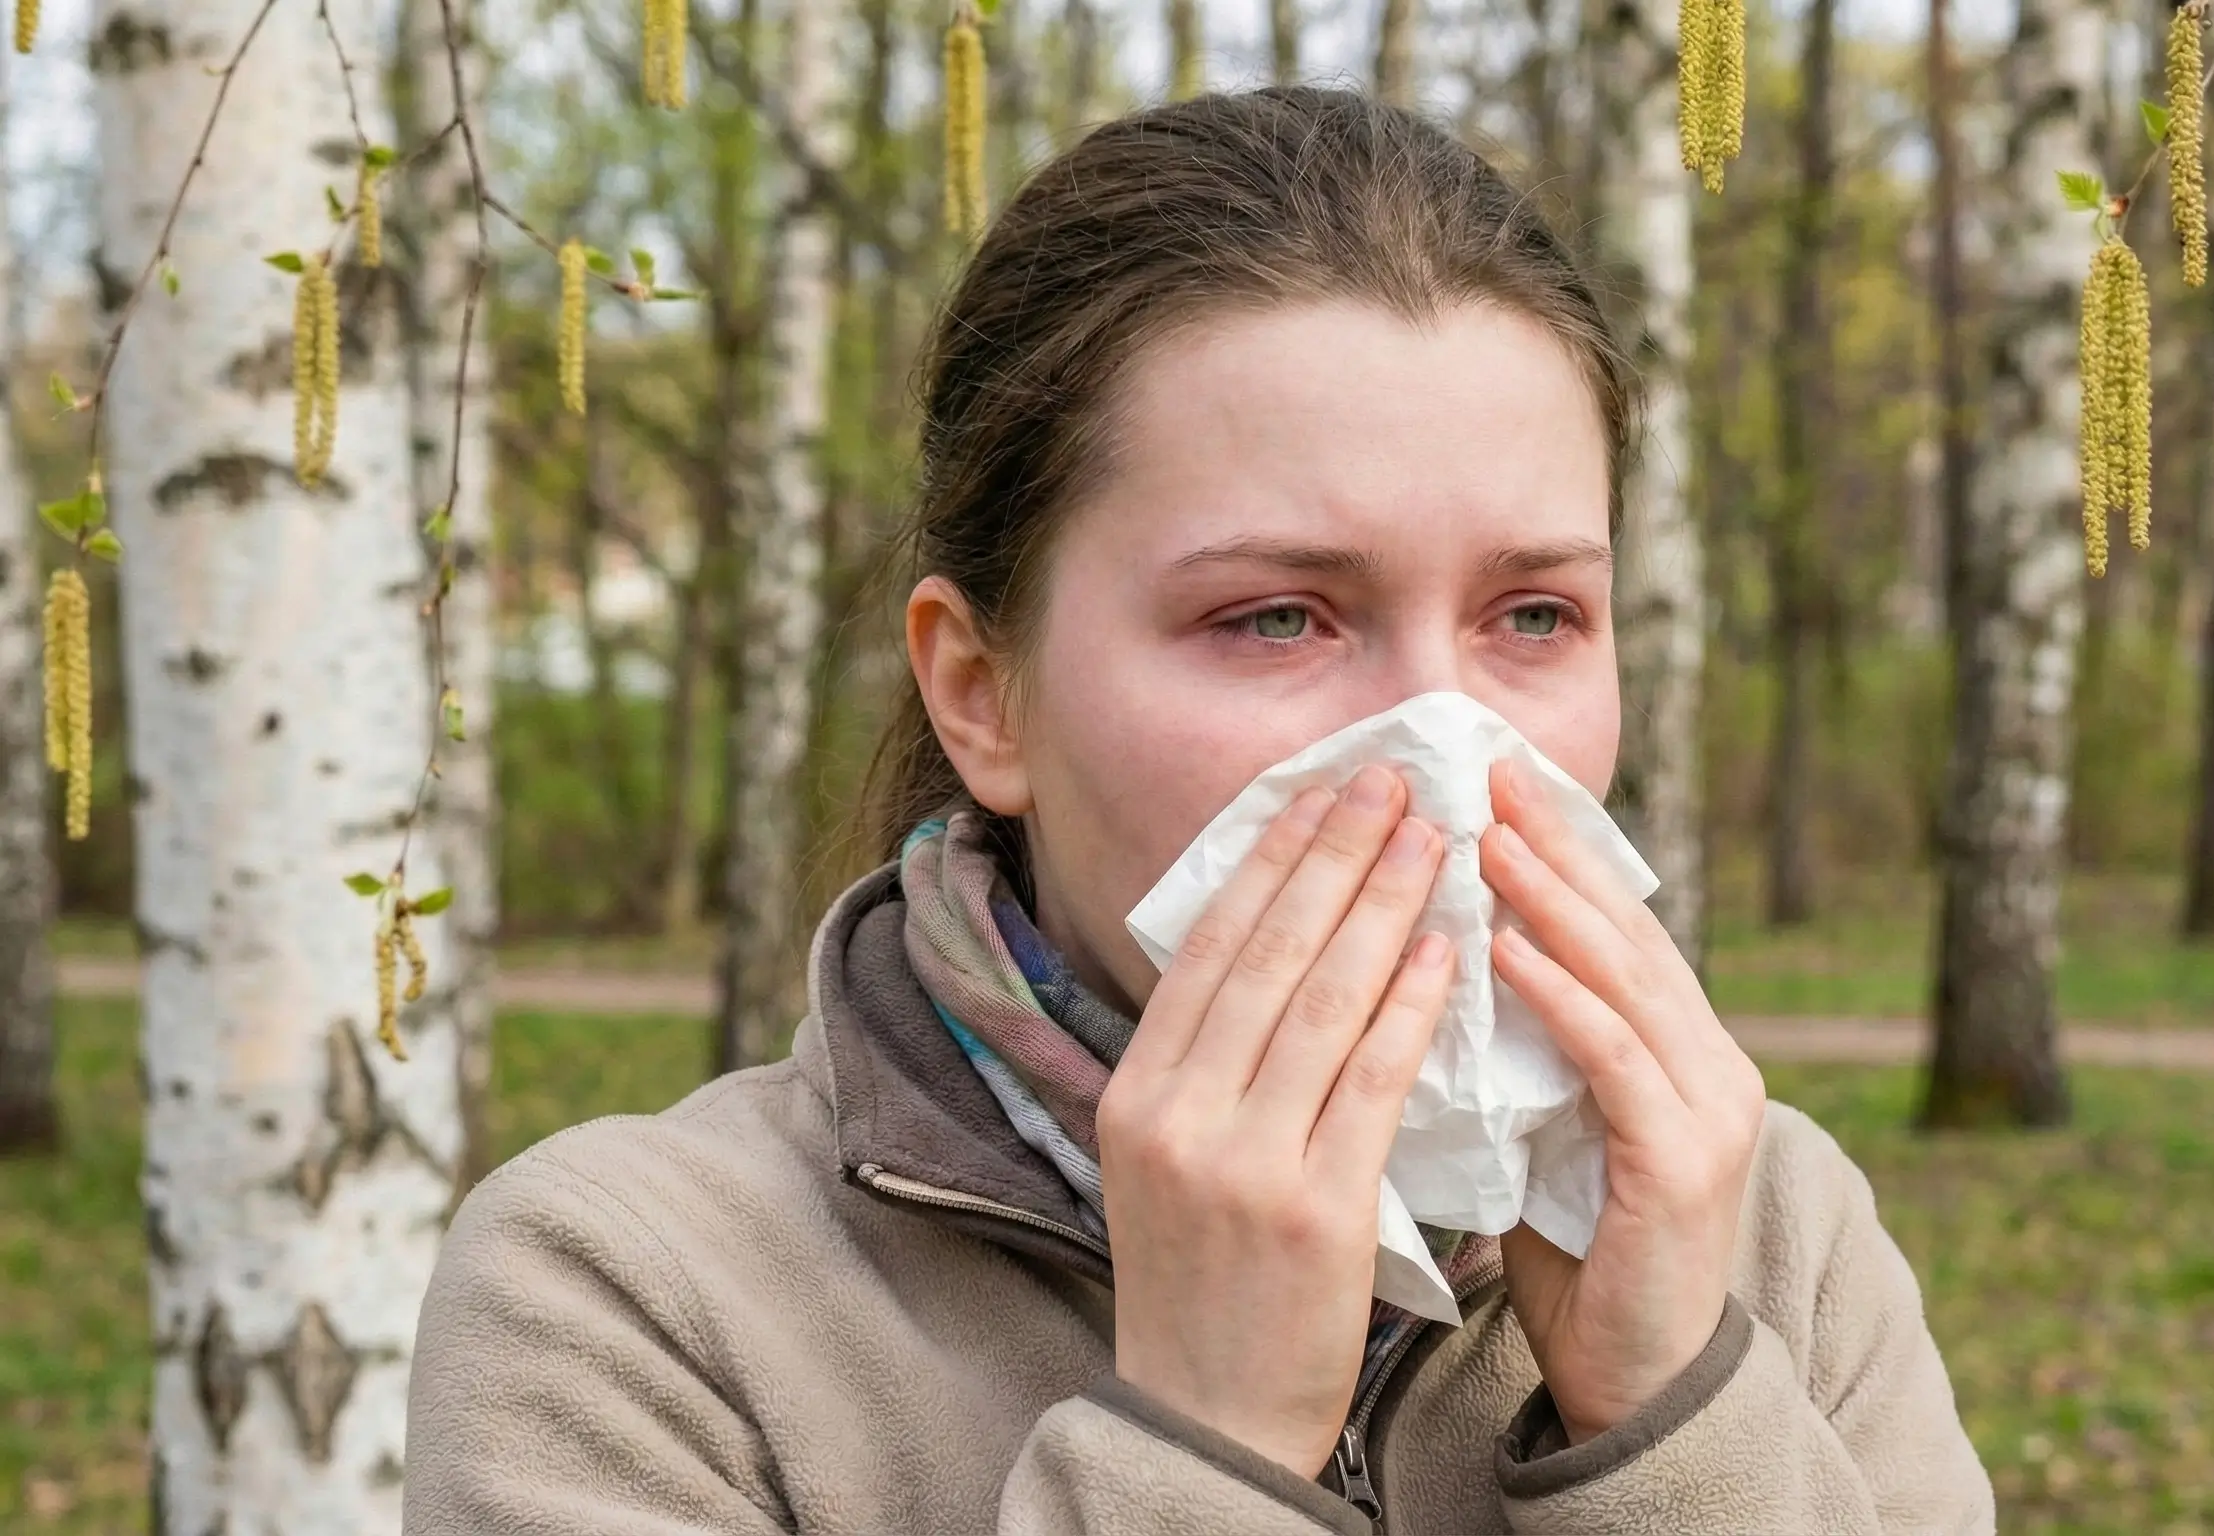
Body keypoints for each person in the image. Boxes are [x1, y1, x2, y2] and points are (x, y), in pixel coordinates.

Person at [402, 86, 1994, 1534]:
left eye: (1531, 619)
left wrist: (1669, 1426)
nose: (1435, 746)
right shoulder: (638, 1297)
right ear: (981, 692)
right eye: (1277, 618)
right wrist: (1199, 1445)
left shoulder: (1761, 1224)